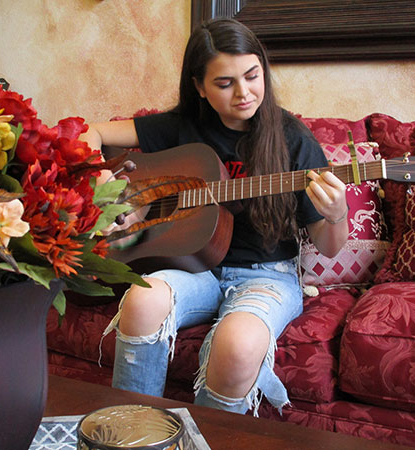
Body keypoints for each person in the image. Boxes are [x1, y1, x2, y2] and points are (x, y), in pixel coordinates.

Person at [80, 18, 348, 415]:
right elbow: (89, 132)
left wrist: (337, 214)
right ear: (199, 87)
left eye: (252, 76)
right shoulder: (182, 127)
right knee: (141, 300)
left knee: (237, 345)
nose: (244, 93)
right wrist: (104, 182)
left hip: (266, 273)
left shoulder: (293, 139)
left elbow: (329, 245)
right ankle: (131, 431)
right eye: (224, 83)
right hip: (192, 267)